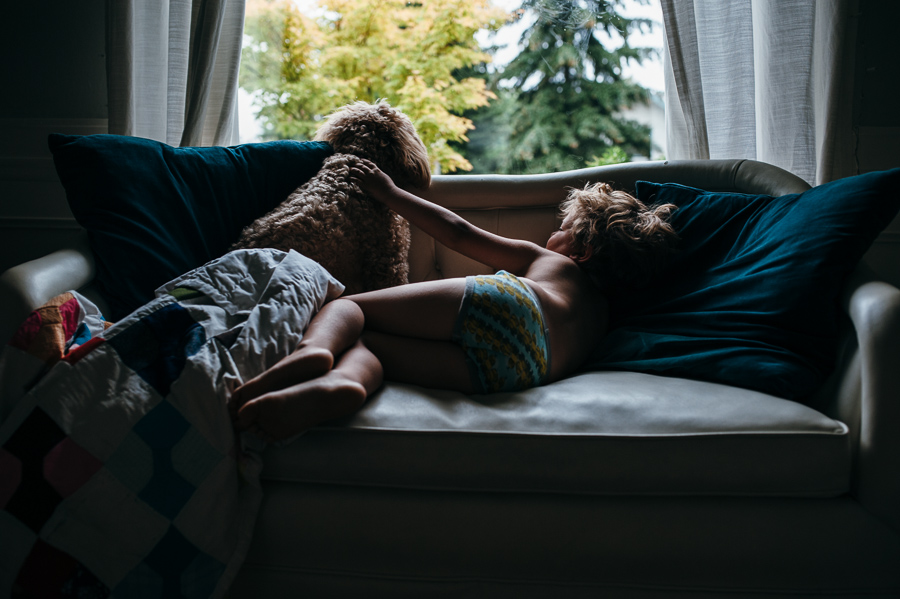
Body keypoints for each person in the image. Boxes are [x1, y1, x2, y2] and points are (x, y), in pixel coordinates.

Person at [229, 158, 678, 442]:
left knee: (352, 307)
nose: (551, 233)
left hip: (514, 303)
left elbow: (458, 233)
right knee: (376, 350)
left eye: (563, 228)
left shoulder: (551, 264)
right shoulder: (601, 318)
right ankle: (345, 386)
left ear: (580, 251)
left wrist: (390, 192)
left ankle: (315, 354)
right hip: (522, 369)